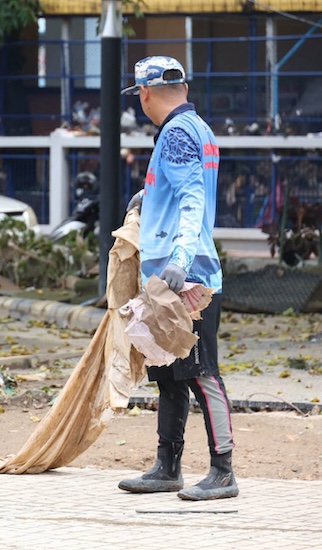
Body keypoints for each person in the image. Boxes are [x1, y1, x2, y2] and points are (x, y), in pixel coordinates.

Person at [119, 56, 238, 500]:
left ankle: (223, 471)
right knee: (168, 372)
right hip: (169, 278)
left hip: (187, 281)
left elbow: (192, 201)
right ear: (183, 88)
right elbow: (181, 190)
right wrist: (148, 196)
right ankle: (166, 467)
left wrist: (181, 261)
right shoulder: (197, 130)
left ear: (145, 94)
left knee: (202, 373)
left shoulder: (177, 134)